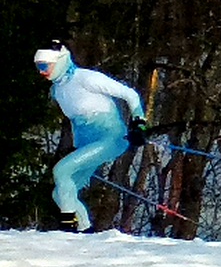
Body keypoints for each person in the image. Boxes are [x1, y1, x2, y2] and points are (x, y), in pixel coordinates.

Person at [37, 43, 145, 233]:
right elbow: (75, 121)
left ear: (60, 61)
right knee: (60, 194)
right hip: (87, 144)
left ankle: (68, 225)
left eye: (45, 66)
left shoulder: (86, 78)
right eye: (38, 67)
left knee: (61, 171)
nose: (42, 72)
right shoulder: (57, 90)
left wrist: (139, 124)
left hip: (111, 138)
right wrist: (77, 146)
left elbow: (130, 94)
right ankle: (85, 230)